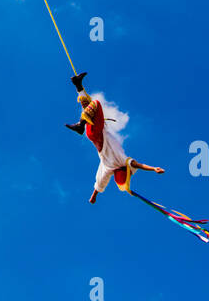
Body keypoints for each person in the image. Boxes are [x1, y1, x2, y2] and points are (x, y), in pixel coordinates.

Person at [64, 72, 164, 205]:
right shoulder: (107, 169)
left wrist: (153, 168)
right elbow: (99, 184)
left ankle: (80, 125)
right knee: (88, 107)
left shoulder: (121, 161)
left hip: (97, 132)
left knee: (96, 104)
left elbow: (137, 165)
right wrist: (94, 196)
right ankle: (78, 85)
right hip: (93, 135)